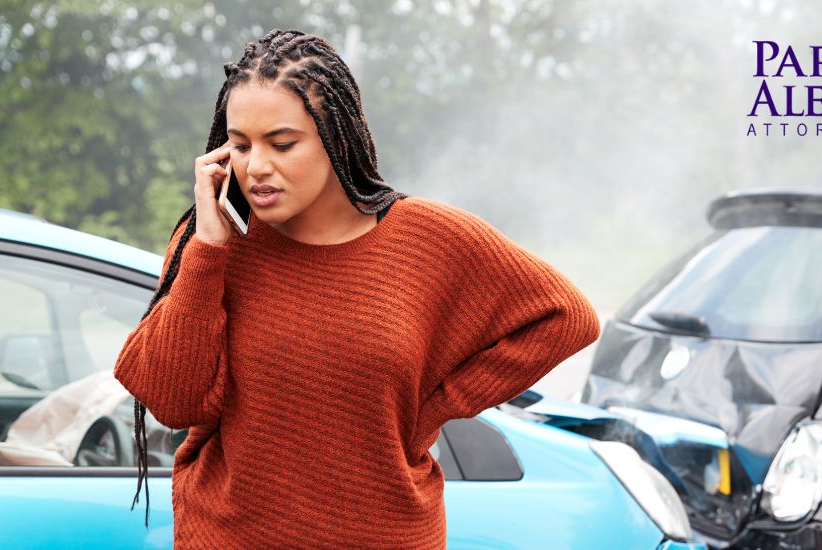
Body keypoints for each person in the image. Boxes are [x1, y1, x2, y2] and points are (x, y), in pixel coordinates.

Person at [112, 28, 600, 548]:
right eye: (241, 145)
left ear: (336, 136)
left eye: (282, 144)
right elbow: (173, 403)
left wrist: (433, 408)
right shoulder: (213, 243)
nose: (256, 167)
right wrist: (208, 249)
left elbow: (565, 316)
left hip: (386, 534)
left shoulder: (428, 238)